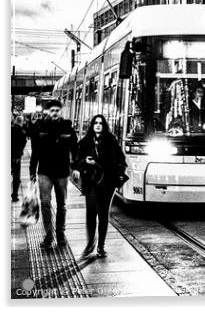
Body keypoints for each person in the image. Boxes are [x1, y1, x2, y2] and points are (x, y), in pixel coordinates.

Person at [72, 114, 127, 258]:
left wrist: (118, 173)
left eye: (100, 123)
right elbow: (77, 160)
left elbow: (121, 160)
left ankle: (101, 246)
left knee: (103, 215)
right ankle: (90, 242)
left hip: (108, 183)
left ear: (104, 126)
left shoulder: (111, 141)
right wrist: (83, 163)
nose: (98, 125)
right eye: (95, 123)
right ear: (92, 125)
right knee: (91, 212)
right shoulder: (85, 142)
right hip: (91, 182)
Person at [30, 100, 77, 248]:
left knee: (62, 205)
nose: (55, 112)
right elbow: (35, 150)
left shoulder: (67, 126)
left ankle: (60, 235)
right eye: (52, 110)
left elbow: (75, 148)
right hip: (44, 171)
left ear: (61, 111)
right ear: (48, 112)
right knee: (45, 204)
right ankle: (49, 236)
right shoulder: (40, 126)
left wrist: (75, 168)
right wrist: (32, 172)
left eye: (57, 110)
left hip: (62, 172)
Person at [11, 115, 27, 202]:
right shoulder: (22, 132)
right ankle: (14, 195)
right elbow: (23, 144)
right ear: (21, 122)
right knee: (16, 176)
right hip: (16, 157)